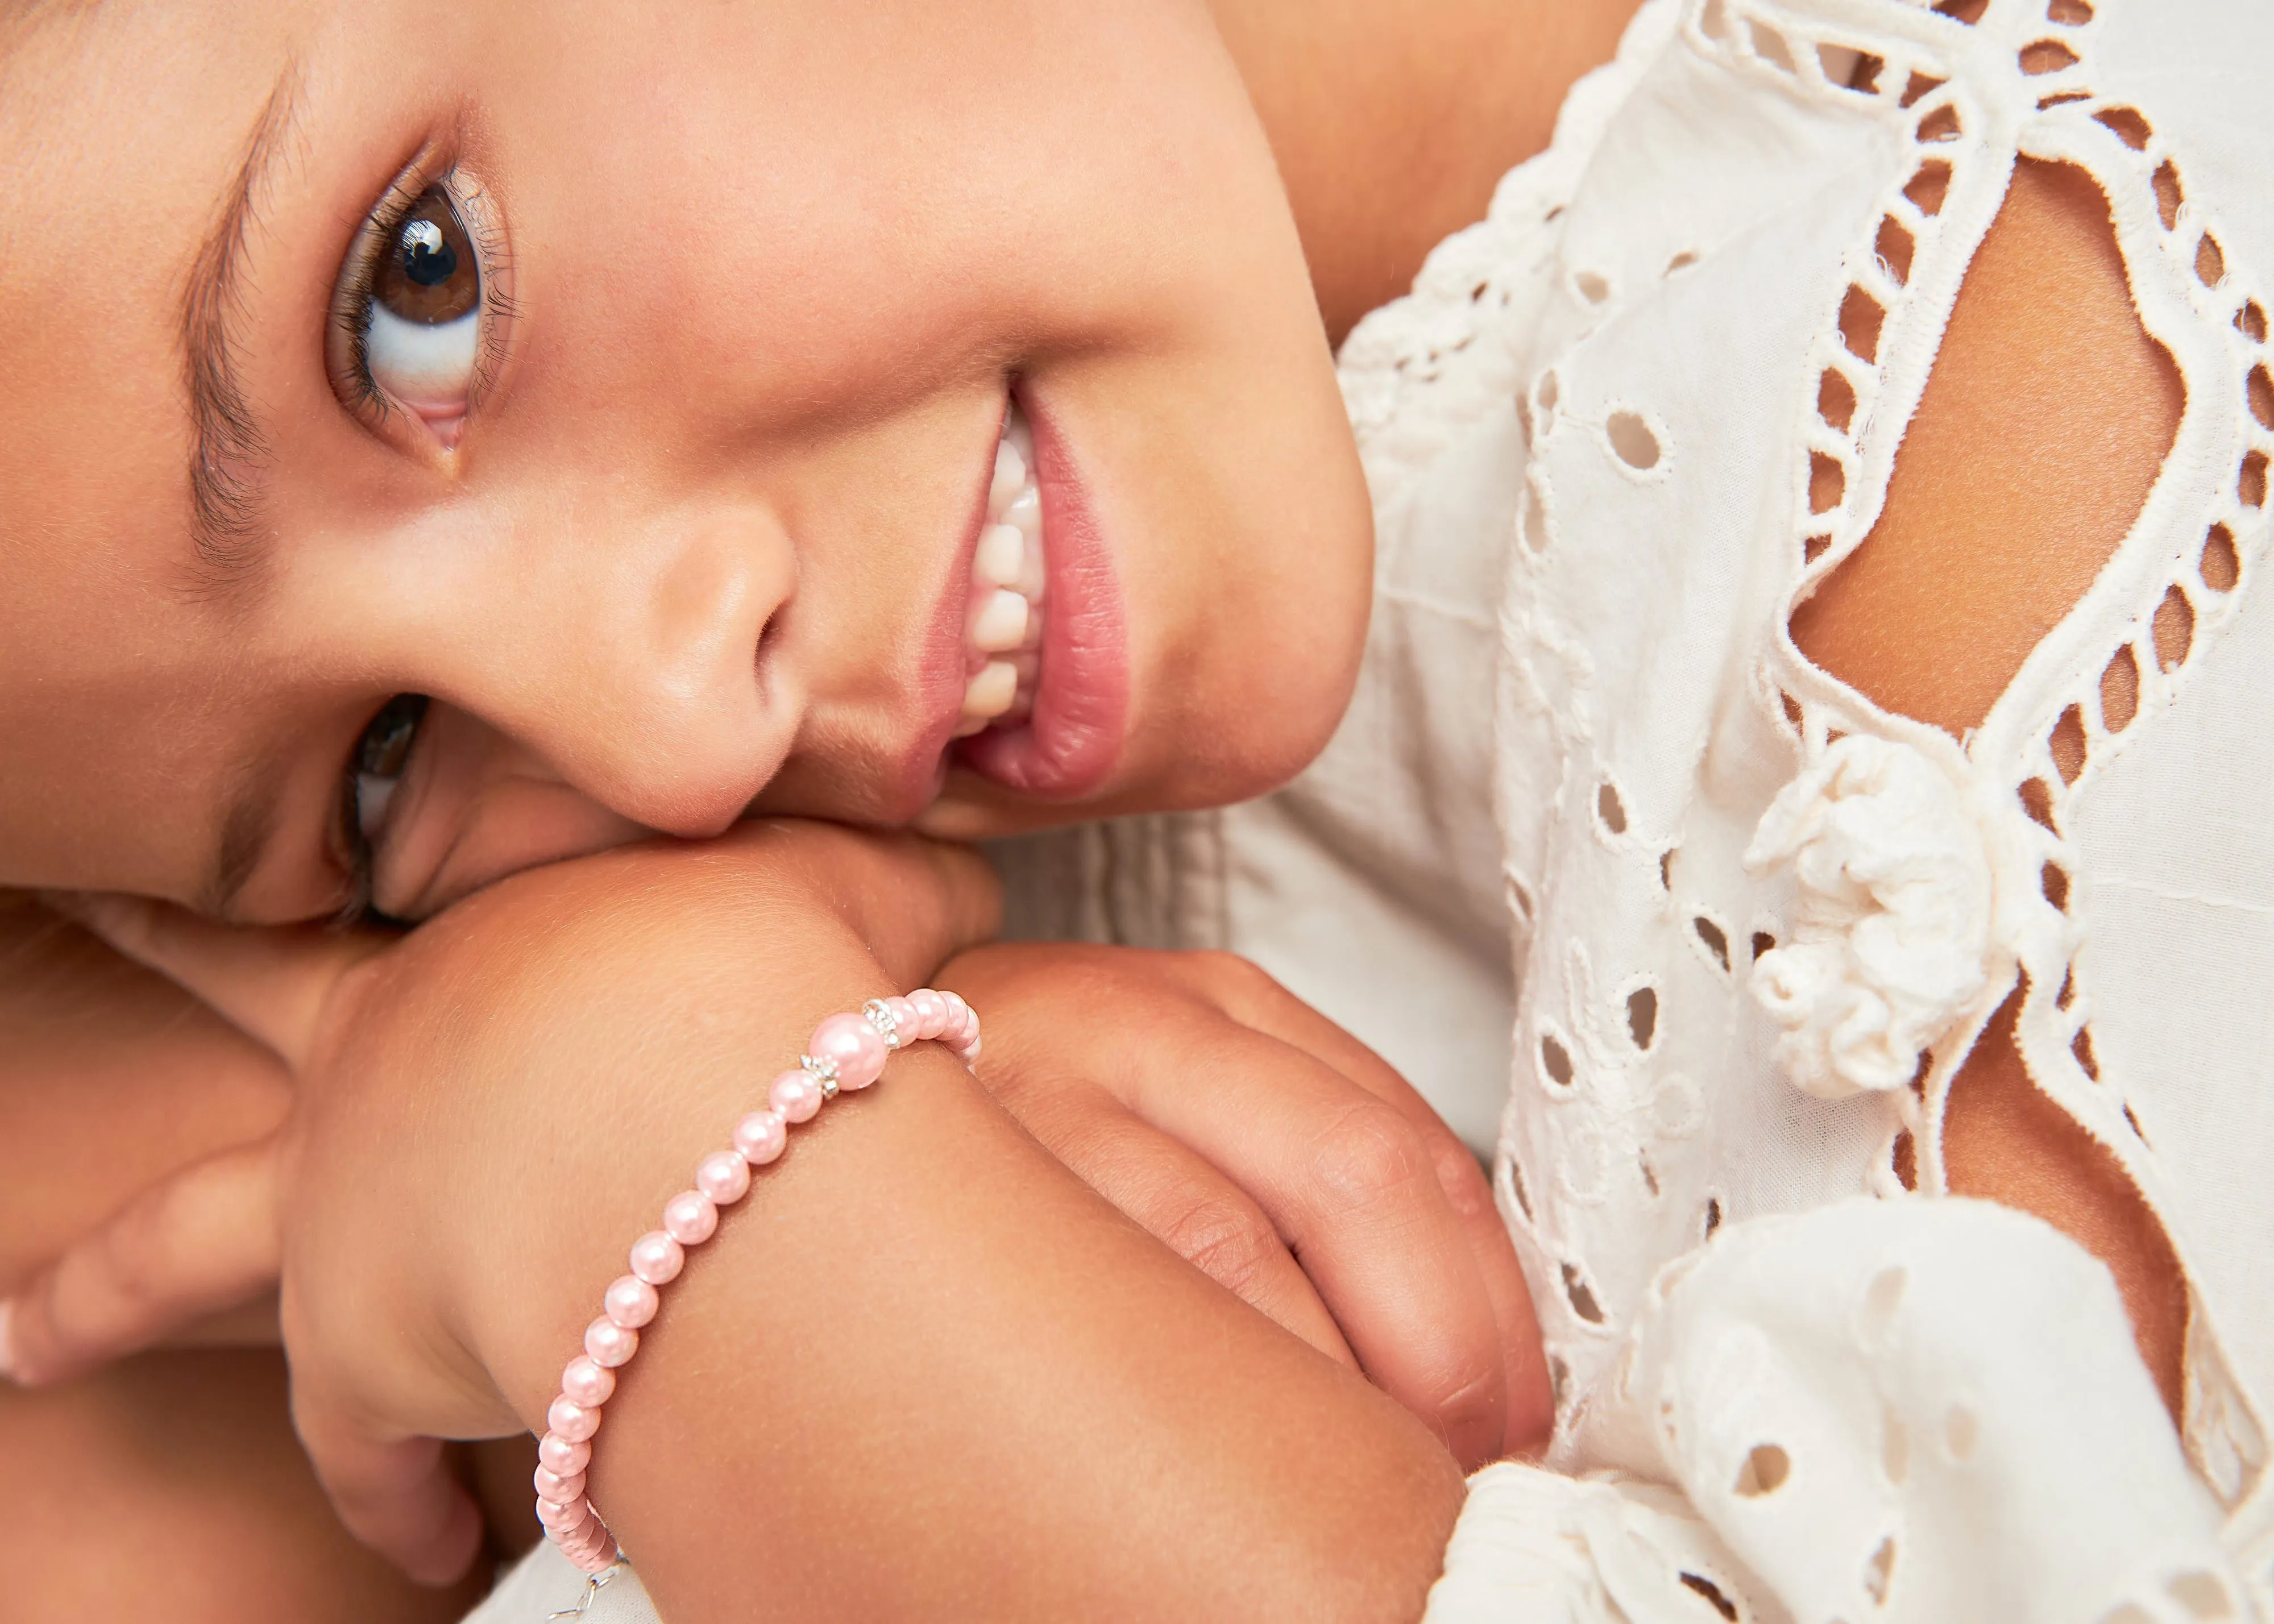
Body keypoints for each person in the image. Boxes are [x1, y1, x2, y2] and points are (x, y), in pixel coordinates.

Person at [7, 0, 2271, 1618]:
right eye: (382, 769)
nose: (672, 729)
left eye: (422, 285)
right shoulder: (722, 871)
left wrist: (658, 1155)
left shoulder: (2035, 357)